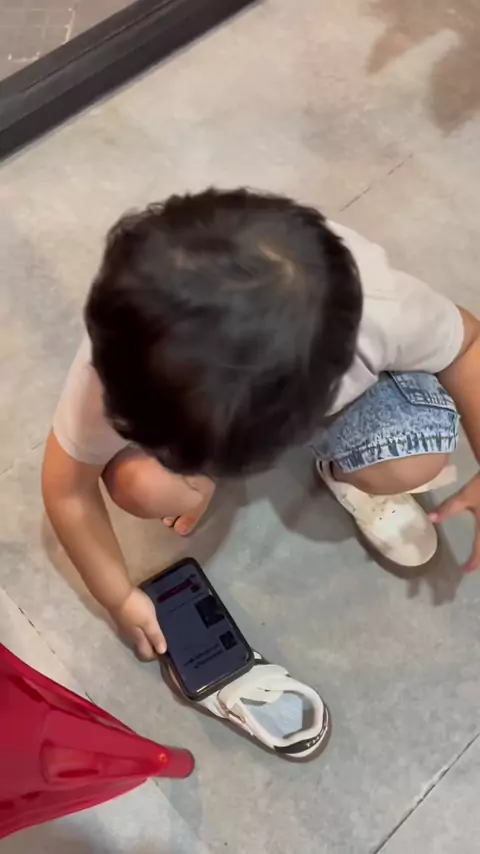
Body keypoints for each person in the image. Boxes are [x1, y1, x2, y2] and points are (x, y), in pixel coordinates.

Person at [42, 188, 480, 661]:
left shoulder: (381, 308)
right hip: (292, 382)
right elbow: (67, 490)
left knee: (416, 460)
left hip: (335, 382)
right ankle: (203, 473)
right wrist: (118, 597)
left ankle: (346, 469)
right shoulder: (122, 363)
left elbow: (468, 345)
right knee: (139, 485)